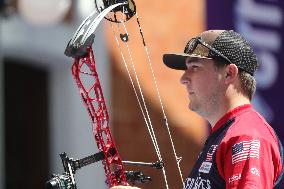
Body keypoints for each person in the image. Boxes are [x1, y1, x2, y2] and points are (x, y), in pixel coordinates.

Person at [110, 30, 284, 189]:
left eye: (195, 67)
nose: (183, 79)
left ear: (229, 74)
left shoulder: (246, 136)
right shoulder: (227, 134)